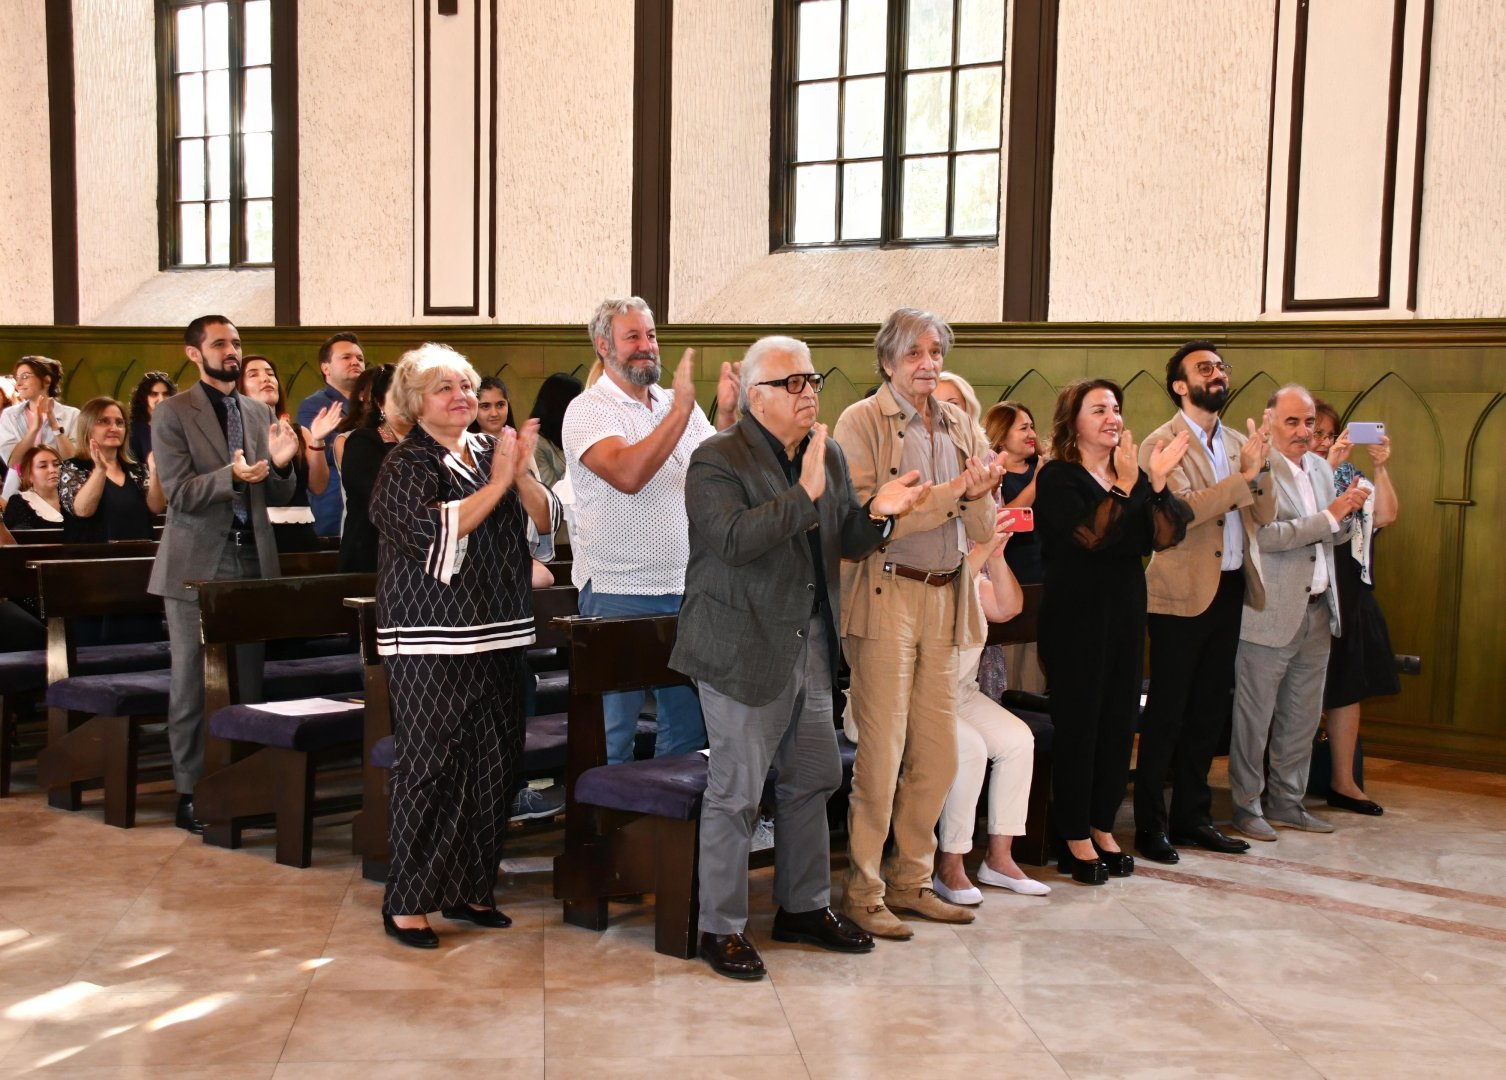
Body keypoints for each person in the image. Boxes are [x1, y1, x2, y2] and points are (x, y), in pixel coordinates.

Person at [672, 335, 928, 978]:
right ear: (756, 396)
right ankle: (720, 926)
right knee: (736, 792)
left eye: (813, 381)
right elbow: (732, 541)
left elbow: (844, 538)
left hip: (810, 641)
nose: (809, 392)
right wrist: (804, 493)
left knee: (812, 779)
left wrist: (881, 515)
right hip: (740, 646)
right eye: (794, 384)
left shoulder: (827, 453)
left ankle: (803, 907)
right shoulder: (715, 458)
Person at [371, 343, 559, 950]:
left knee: (494, 766)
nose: (460, 396)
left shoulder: (489, 450)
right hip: (431, 638)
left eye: (464, 385)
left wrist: (522, 473)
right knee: (430, 766)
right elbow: (436, 531)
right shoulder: (406, 463)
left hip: (499, 629)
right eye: (442, 388)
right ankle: (408, 899)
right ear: (415, 404)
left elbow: (544, 523)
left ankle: (471, 887)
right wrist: (500, 480)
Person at [834, 307, 1002, 939]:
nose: (929, 365)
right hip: (886, 596)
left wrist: (979, 492)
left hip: (945, 595)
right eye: (915, 355)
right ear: (888, 361)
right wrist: (959, 491)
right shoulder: (861, 421)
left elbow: (984, 522)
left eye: (936, 353)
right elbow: (874, 520)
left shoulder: (960, 420)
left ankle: (911, 880)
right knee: (881, 755)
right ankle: (865, 890)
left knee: (936, 754)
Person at [561, 296, 738, 764]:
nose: (647, 347)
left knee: (685, 727)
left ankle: (663, 834)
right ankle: (601, 830)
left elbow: (716, 469)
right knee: (612, 733)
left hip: (686, 587)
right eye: (633, 337)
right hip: (620, 589)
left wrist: (727, 418)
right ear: (604, 345)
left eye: (652, 335)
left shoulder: (672, 404)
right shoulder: (588, 409)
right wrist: (682, 411)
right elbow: (628, 474)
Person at [1034, 378, 1192, 885]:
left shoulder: (1132, 473)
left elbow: (1163, 536)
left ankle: (1102, 826)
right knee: (1081, 724)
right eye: (1098, 408)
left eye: (1116, 408)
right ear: (1073, 422)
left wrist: (1158, 484)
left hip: (1125, 612)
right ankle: (1072, 834)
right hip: (1077, 617)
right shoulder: (1059, 476)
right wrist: (1126, 485)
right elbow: (1091, 538)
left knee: (1119, 722)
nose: (1112, 417)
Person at [148, 315, 299, 834]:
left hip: (252, 557)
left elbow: (277, 495)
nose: (231, 351)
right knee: (192, 682)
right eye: (220, 344)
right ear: (195, 354)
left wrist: (280, 465)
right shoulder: (172, 412)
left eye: (236, 343)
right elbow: (179, 493)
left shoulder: (258, 412)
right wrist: (229, 476)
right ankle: (191, 791)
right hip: (196, 563)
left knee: (249, 679)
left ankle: (246, 782)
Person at [1132, 342, 1275, 865]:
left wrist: (1258, 473)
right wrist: (1243, 479)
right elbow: (1184, 511)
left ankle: (1194, 818)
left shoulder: (1240, 441)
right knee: (1167, 713)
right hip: (1179, 594)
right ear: (1179, 384)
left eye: (1220, 368)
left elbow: (1264, 511)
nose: (1216, 375)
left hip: (1231, 586)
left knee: (1208, 712)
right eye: (1204, 368)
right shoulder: (1159, 443)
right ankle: (1152, 825)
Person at [1228, 385, 1366, 842]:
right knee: (1255, 718)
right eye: (1292, 421)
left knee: (1302, 717)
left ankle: (1288, 802)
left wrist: (1345, 516)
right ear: (1268, 422)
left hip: (1318, 610)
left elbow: (1333, 536)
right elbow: (1264, 536)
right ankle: (1246, 807)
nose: (1304, 432)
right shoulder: (1259, 467)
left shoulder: (1321, 471)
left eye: (1309, 423)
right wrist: (1329, 518)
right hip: (1270, 613)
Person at [931, 505, 1050, 905]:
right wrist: (982, 549)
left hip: (961, 691)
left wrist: (995, 556)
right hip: (921, 695)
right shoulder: (933, 564)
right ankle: (951, 862)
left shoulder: (974, 565)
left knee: (1018, 739)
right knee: (971, 749)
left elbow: (1008, 607)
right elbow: (947, 597)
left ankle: (999, 859)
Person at [1312, 400, 1400, 816]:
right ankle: (1281, 786)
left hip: (1350, 592)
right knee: (1296, 693)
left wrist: (1380, 467)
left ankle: (1342, 781)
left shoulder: (1351, 476)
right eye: (1315, 432)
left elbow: (1385, 515)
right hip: (1305, 594)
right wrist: (1326, 468)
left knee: (1347, 689)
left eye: (1329, 434)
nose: (1322, 441)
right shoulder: (1282, 473)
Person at [240, 355, 344, 552]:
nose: (266, 378)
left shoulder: (298, 432)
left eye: (270, 374)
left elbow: (318, 486)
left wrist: (318, 439)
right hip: (256, 536)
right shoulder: (238, 433)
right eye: (253, 375)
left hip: (299, 532)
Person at [984, 400, 1046, 693]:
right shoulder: (992, 476)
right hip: (1008, 581)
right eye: (1023, 428)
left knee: (1034, 674)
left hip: (1043, 579)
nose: (1031, 433)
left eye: (1032, 426)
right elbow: (1004, 520)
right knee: (1008, 675)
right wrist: (1036, 484)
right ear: (1002, 435)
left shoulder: (1046, 468)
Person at [57, 396, 166, 544]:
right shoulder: (73, 467)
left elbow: (156, 507)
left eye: (119, 423)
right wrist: (100, 470)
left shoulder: (137, 469)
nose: (114, 428)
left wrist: (154, 472)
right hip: (94, 560)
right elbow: (83, 510)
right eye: (104, 421)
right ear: (87, 427)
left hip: (139, 555)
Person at [296, 332, 365, 538]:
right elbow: (318, 460)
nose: (355, 362)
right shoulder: (314, 405)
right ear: (325, 368)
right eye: (346, 357)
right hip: (333, 508)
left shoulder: (372, 406)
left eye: (360, 359)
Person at [338, 364, 406, 573]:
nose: (407, 405)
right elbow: (382, 496)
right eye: (398, 398)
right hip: (370, 552)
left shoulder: (429, 444)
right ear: (380, 403)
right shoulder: (363, 441)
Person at [1, 357, 78, 502]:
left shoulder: (72, 415)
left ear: (47, 380)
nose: (18, 384)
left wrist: (54, 424)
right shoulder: (10, 415)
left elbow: (72, 461)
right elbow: (13, 462)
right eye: (17, 378)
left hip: (61, 495)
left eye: (25, 376)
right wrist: (34, 429)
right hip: (18, 495)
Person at [529, 372, 583, 487]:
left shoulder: (576, 434)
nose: (582, 408)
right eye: (577, 402)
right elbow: (550, 491)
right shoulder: (537, 443)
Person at [2, 445, 66, 533]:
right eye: (43, 466)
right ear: (28, 474)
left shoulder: (75, 498)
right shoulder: (19, 503)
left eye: (56, 464)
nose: (52, 470)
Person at [128, 371, 177, 462]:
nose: (161, 399)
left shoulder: (180, 424)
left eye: (165, 394)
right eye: (154, 394)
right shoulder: (134, 430)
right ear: (144, 398)